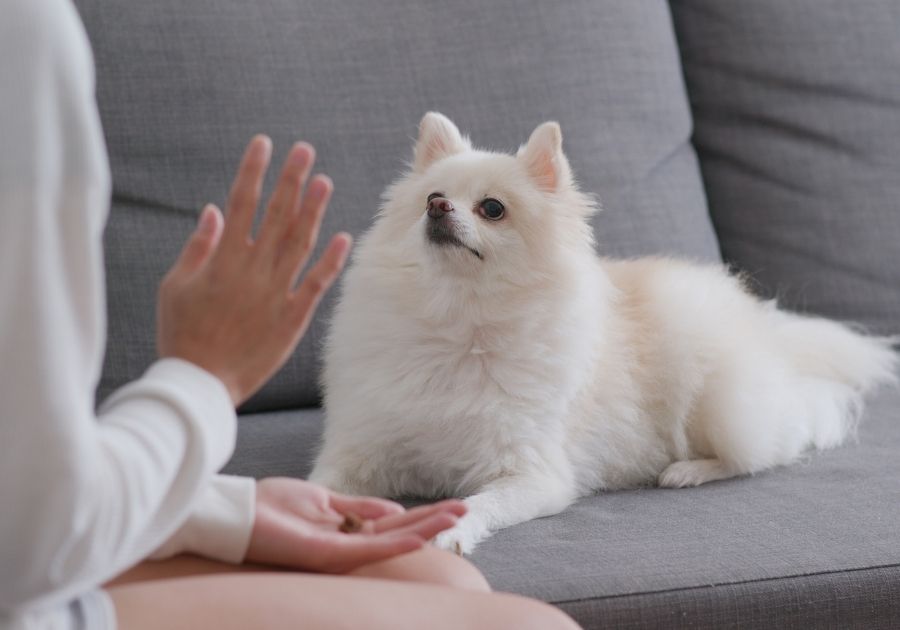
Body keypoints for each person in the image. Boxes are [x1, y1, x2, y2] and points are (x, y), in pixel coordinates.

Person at [0, 1, 582, 629]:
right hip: (31, 556)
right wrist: (199, 377)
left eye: (490, 208)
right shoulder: (25, 32)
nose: (446, 211)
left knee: (443, 575)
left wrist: (232, 513)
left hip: (30, 537)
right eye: (437, 200)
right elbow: (32, 533)